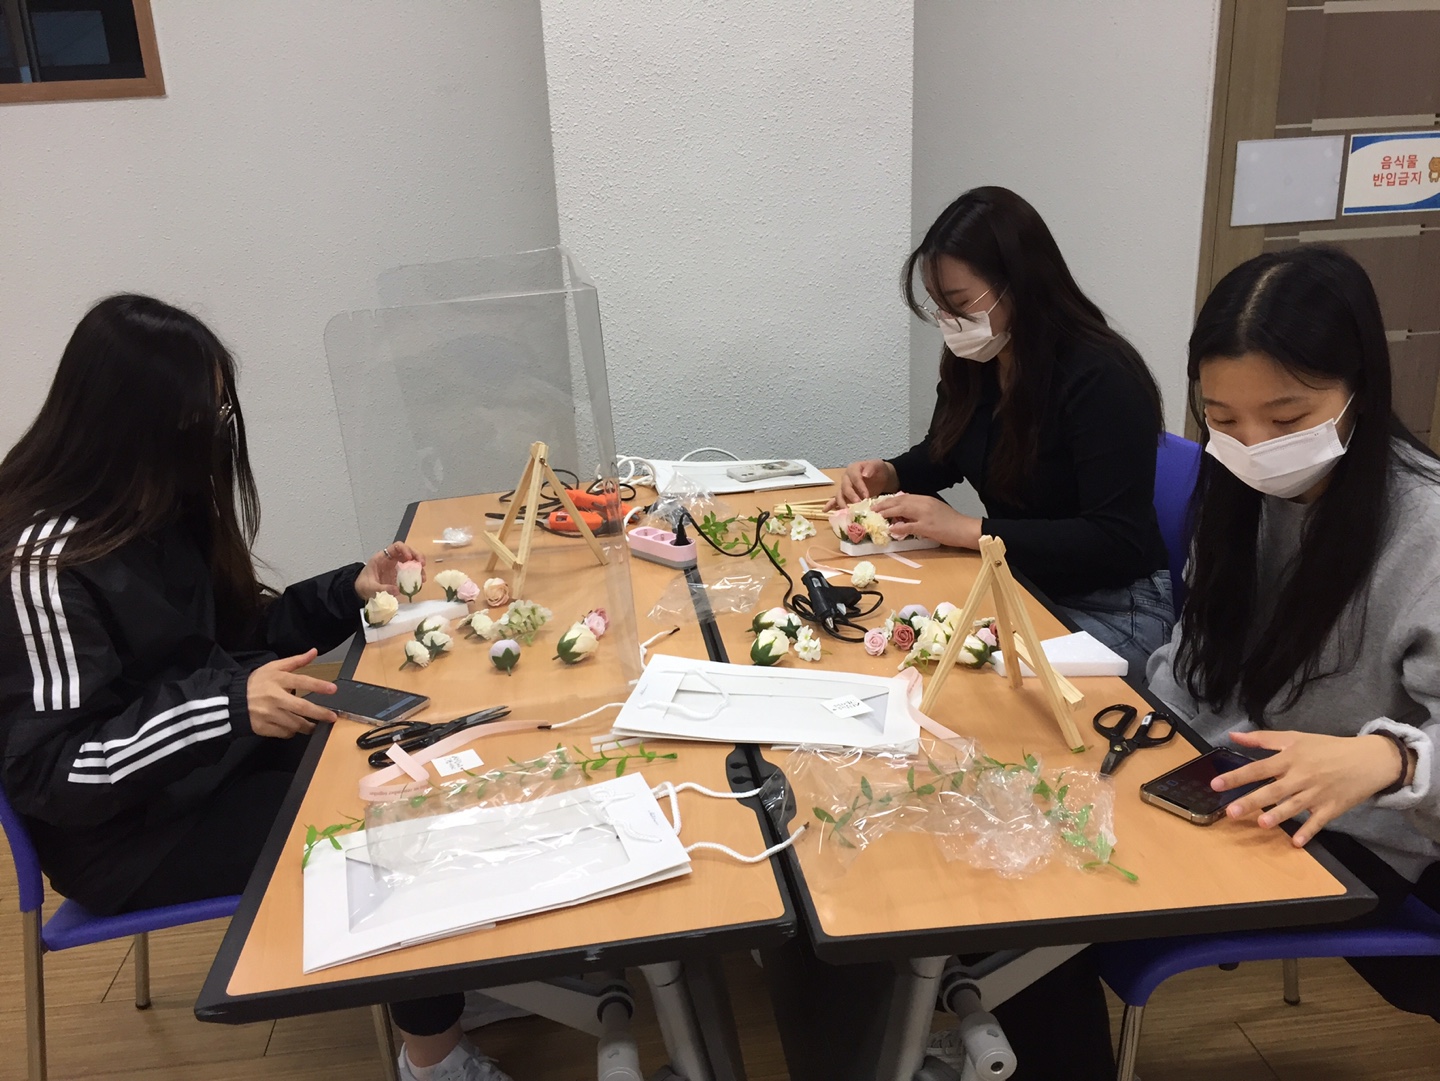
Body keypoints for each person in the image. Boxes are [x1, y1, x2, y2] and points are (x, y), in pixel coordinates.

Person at [0, 296, 511, 1081]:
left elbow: (239, 637)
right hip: (127, 836)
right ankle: (433, 1059)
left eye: (215, 413)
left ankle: (441, 974)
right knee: (378, 823)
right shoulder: (43, 562)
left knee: (408, 763)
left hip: (208, 766)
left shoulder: (157, 508)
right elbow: (56, 772)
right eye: (198, 416)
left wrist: (349, 590)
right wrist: (227, 707)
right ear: (129, 420)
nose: (213, 433)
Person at [987, 247, 1440, 1079]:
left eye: (1287, 416)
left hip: (1341, 834)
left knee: (1030, 921)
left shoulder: (1425, 528)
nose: (1253, 445)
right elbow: (1194, 651)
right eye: (1223, 418)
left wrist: (1389, 757)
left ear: (1360, 390)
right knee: (999, 847)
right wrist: (1130, 735)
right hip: (1212, 775)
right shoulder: (1238, 491)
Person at [834, 186, 1173, 673]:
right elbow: (946, 452)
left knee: (959, 680)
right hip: (1023, 584)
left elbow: (1114, 540)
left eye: (959, 303)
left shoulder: (1102, 376)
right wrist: (887, 473)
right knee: (905, 644)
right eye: (939, 306)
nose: (950, 322)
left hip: (1117, 606)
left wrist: (969, 530)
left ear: (1020, 283)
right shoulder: (978, 360)